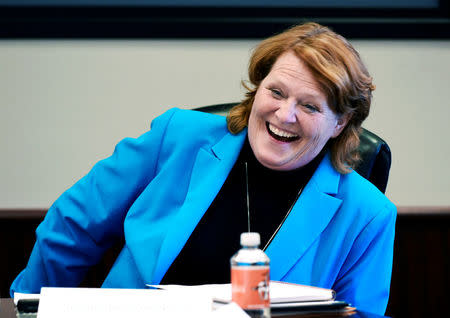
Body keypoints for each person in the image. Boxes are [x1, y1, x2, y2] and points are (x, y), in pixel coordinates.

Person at [10, 22, 396, 315]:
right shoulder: (178, 137)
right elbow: (72, 224)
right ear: (258, 88)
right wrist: (28, 309)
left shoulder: (367, 214)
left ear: (340, 123)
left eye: (310, 106)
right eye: (276, 92)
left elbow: (359, 313)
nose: (285, 114)